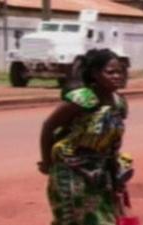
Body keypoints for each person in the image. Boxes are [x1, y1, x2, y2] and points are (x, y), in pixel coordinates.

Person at [38, 49, 133, 225]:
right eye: (110, 72)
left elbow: (113, 143)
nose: (117, 76)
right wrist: (46, 162)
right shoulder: (83, 99)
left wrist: (116, 173)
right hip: (72, 172)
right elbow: (49, 126)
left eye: (120, 71)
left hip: (100, 173)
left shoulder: (119, 103)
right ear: (95, 74)